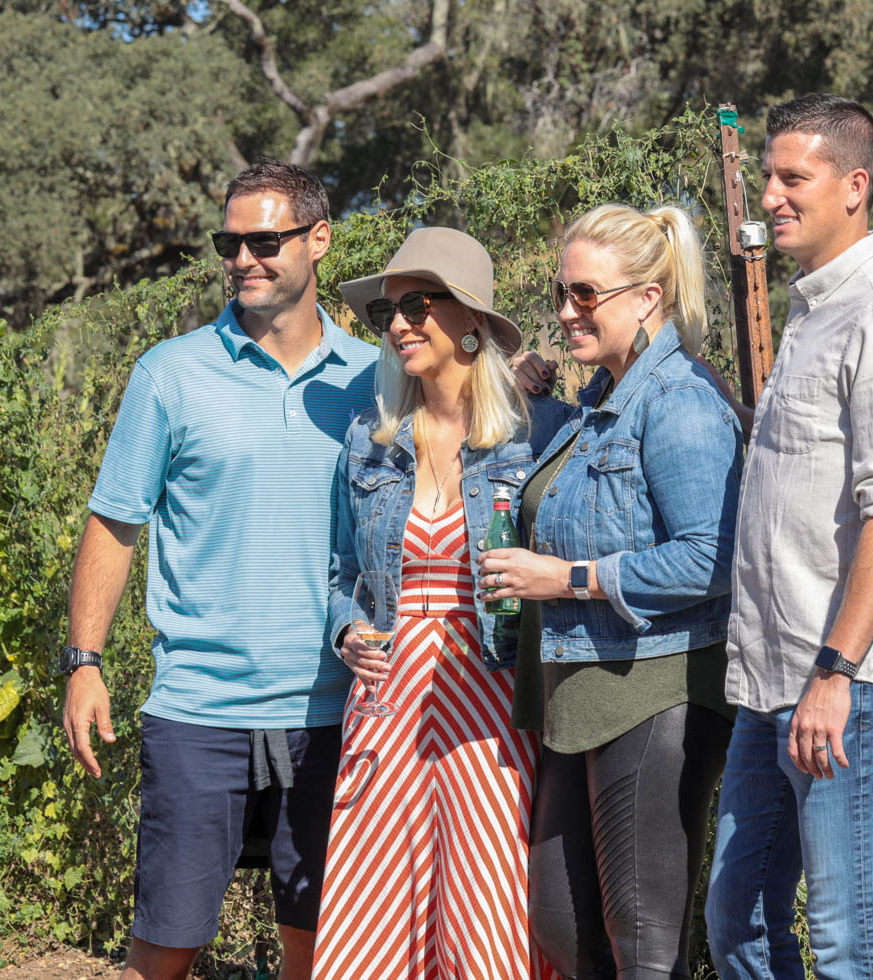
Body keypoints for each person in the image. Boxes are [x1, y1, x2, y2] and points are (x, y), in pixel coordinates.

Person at [58, 160, 377, 980]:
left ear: (319, 239)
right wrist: (84, 663)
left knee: (322, 948)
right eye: (228, 242)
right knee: (166, 945)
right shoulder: (170, 372)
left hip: (340, 713)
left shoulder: (377, 380)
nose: (242, 258)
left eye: (263, 240)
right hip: (201, 710)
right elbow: (115, 522)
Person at [703, 94, 873, 980]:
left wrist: (836, 674)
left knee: (847, 939)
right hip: (774, 679)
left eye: (789, 177)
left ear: (854, 187)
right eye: (766, 175)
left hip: (848, 682)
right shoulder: (812, 316)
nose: (767, 194)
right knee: (736, 926)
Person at [479, 202, 744, 979]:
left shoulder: (679, 401)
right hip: (583, 687)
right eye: (562, 293)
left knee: (644, 943)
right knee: (561, 926)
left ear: (647, 297)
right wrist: (540, 397)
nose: (566, 312)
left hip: (655, 685)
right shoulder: (600, 400)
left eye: (585, 296)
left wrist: (566, 580)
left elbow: (713, 557)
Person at [314, 227, 567, 979]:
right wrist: (347, 631)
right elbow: (339, 572)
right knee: (375, 921)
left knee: (484, 915)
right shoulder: (370, 438)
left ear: (473, 321)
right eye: (387, 312)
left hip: (488, 695)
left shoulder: (531, 438)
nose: (398, 324)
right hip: (386, 702)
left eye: (418, 304)